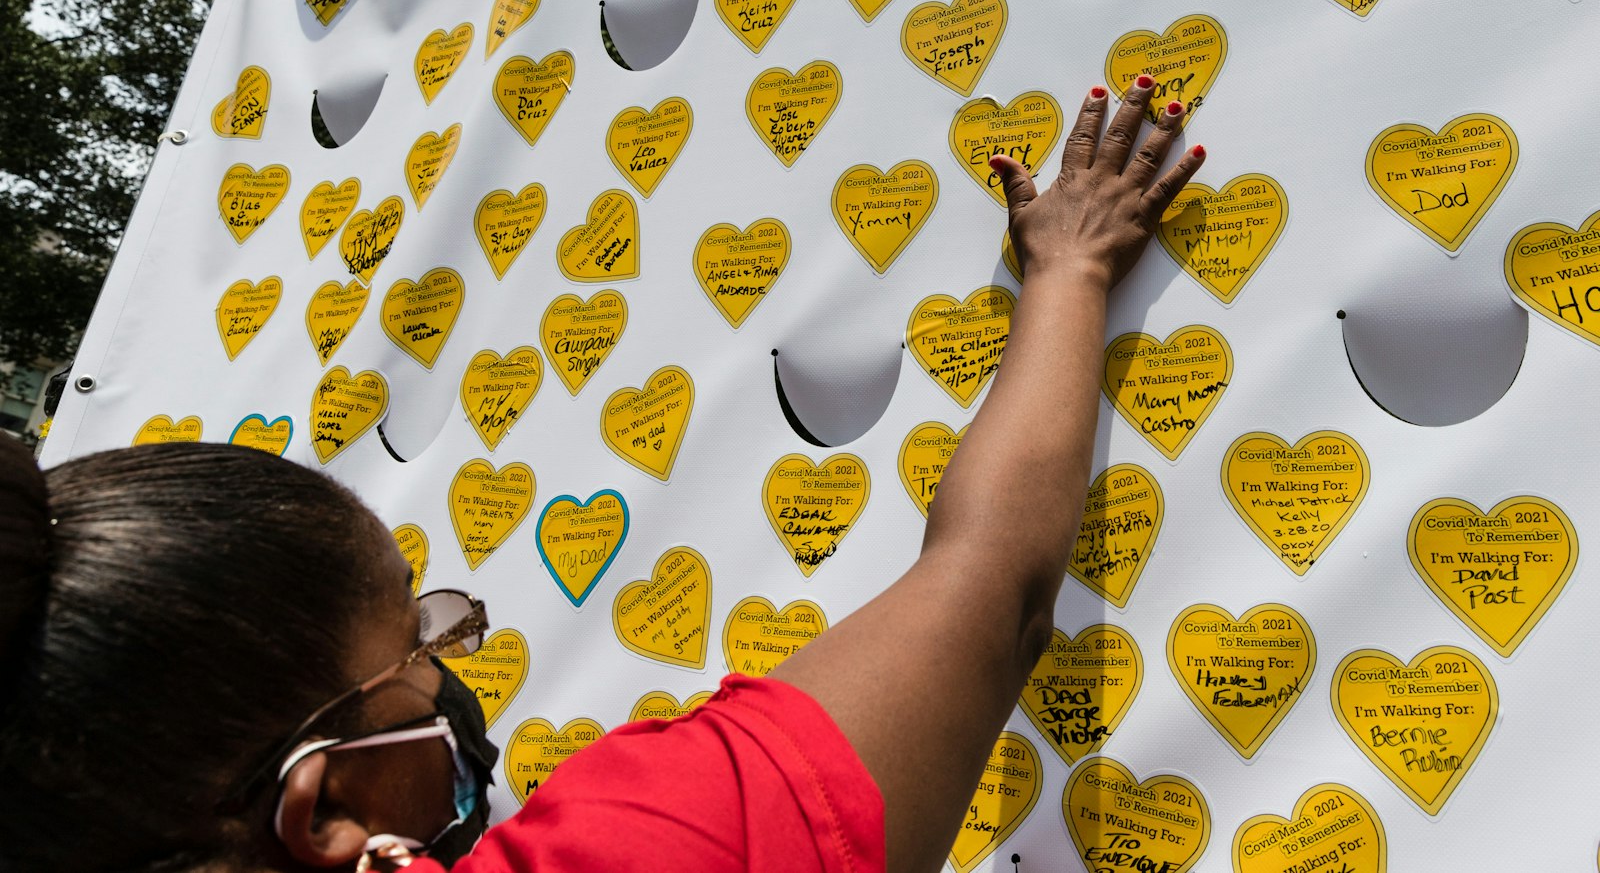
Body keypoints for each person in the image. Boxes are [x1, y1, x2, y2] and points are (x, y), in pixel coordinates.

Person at [0, 75, 1200, 873]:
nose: (453, 666)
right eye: (418, 651)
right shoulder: (646, 844)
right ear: (321, 811)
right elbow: (991, 587)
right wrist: (1070, 272)